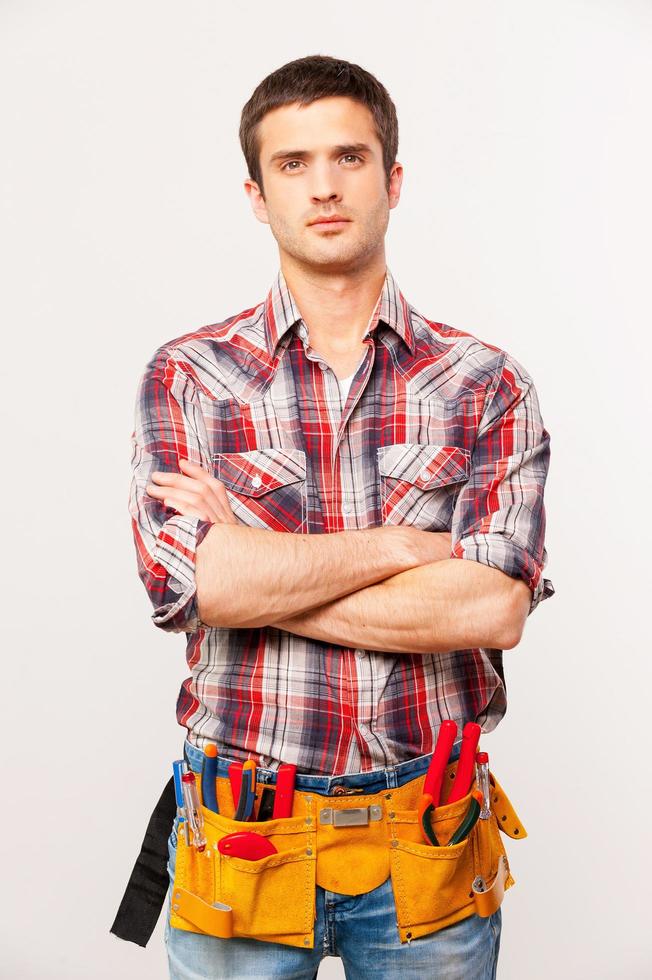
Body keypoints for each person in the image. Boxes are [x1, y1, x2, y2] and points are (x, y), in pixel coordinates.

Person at [115, 54, 555, 978]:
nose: (323, 186)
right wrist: (403, 549)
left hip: (425, 840)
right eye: (293, 163)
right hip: (245, 837)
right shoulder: (189, 377)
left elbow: (492, 610)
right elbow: (186, 583)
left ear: (391, 180)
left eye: (349, 158)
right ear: (256, 192)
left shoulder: (486, 384)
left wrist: (254, 567)